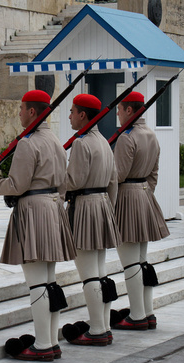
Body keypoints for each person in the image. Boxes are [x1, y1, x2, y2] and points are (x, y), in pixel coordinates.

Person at [0, 90, 76, 362]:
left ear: (32, 112)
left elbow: (16, 185)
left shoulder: (28, 143)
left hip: (34, 211)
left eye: (21, 109)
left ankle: (42, 345)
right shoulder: (55, 140)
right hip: (53, 208)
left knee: (37, 284)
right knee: (49, 281)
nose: (18, 113)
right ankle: (52, 342)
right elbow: (64, 183)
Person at [64, 94, 120, 346]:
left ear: (83, 115)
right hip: (102, 205)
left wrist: (53, 190)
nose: (70, 116)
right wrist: (108, 206)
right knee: (99, 271)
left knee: (89, 275)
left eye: (72, 111)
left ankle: (97, 330)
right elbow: (113, 182)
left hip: (85, 207)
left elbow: (73, 181)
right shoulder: (104, 142)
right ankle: (104, 326)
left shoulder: (81, 143)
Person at [113, 91, 170, 330]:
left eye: (120, 109)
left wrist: (112, 203)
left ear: (129, 110)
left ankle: (136, 316)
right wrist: (145, 192)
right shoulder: (151, 135)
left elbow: (118, 175)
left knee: (130, 262)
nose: (117, 113)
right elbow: (154, 173)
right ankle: (147, 312)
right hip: (145, 195)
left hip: (128, 197)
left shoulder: (127, 137)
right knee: (141, 260)